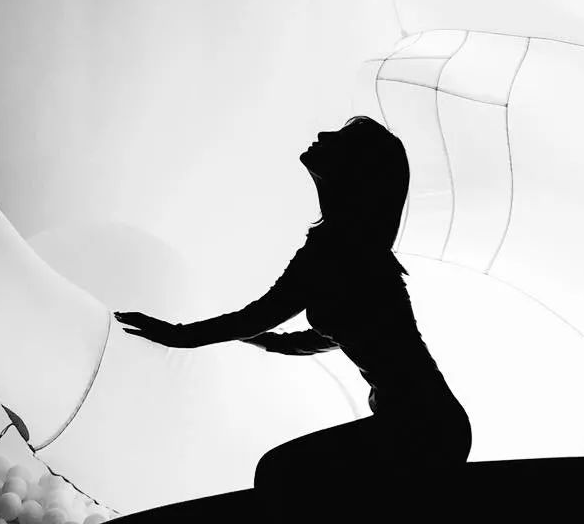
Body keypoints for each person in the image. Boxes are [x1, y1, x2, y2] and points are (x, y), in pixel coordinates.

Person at [114, 116, 472, 516]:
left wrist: (178, 335)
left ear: (354, 170)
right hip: (430, 427)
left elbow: (259, 316)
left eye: (339, 139)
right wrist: (255, 338)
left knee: (281, 473)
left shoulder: (338, 250)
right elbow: (318, 337)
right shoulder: (354, 251)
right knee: (285, 474)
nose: (322, 135)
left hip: (424, 428)